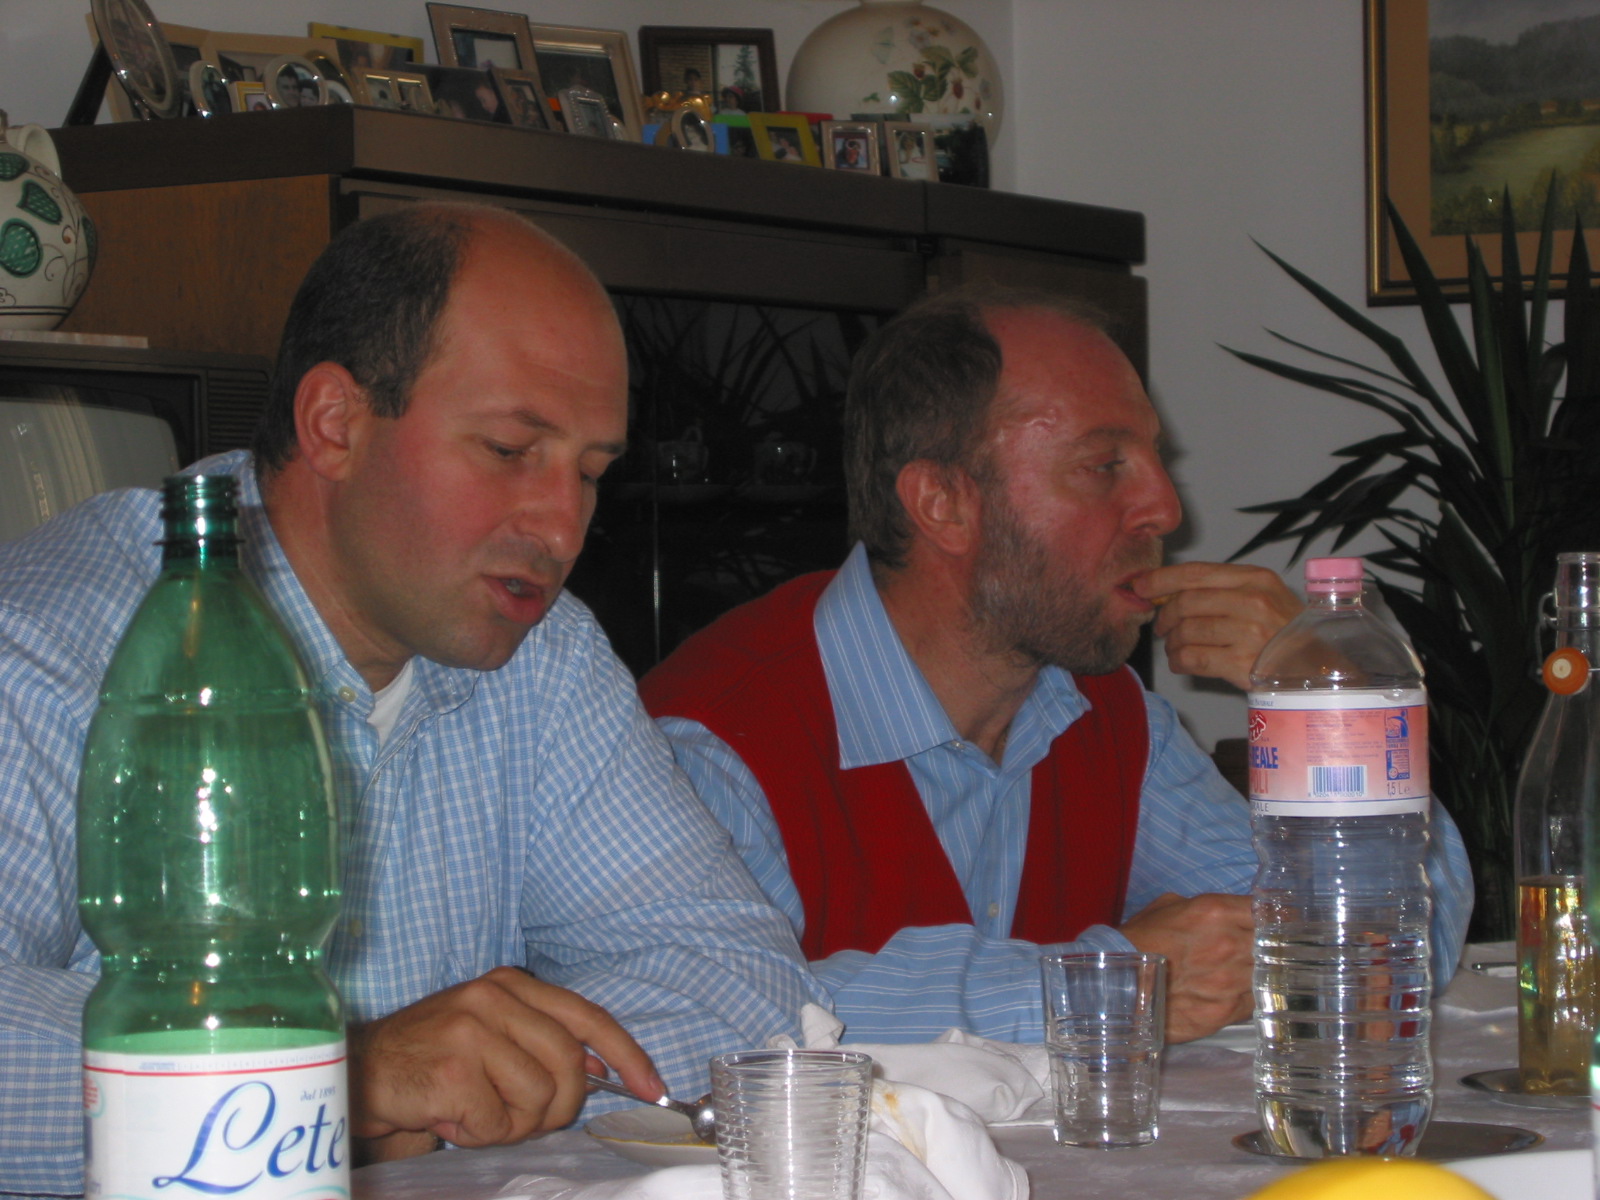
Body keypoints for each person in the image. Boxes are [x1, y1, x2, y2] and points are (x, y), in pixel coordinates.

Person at [0, 203, 826, 1193]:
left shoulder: (543, 654)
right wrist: (340, 1075)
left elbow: (741, 978)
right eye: (511, 451)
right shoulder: (50, 646)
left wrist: (457, 1091)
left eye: (590, 473)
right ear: (335, 425)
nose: (563, 529)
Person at [641, 287, 1474, 1046]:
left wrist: (1331, 705)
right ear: (943, 503)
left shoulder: (1106, 715)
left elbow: (1396, 953)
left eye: (1153, 459)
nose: (1165, 509)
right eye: (1104, 465)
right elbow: (698, 1016)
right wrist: (1098, 986)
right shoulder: (710, 739)